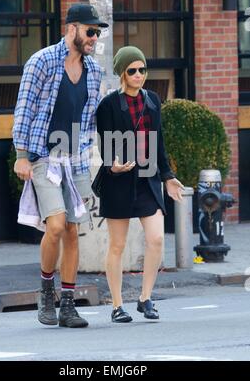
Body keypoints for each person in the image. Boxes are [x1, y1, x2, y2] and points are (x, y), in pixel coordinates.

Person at [12, 3, 108, 328]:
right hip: (42, 156)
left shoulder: (93, 71)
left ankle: (68, 304)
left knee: (72, 230)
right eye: (90, 31)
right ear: (72, 28)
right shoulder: (42, 62)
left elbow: (90, 117)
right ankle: (45, 290)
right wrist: (21, 155)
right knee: (54, 226)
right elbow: (24, 109)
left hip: (75, 158)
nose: (95, 37)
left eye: (97, 32)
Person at [96, 46, 184, 323]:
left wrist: (168, 176)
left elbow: (159, 143)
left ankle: (145, 298)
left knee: (157, 238)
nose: (138, 75)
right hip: (119, 181)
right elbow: (105, 143)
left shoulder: (153, 100)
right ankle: (117, 305)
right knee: (117, 245)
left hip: (148, 179)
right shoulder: (108, 105)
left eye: (142, 70)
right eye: (132, 70)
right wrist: (113, 165)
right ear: (122, 73)